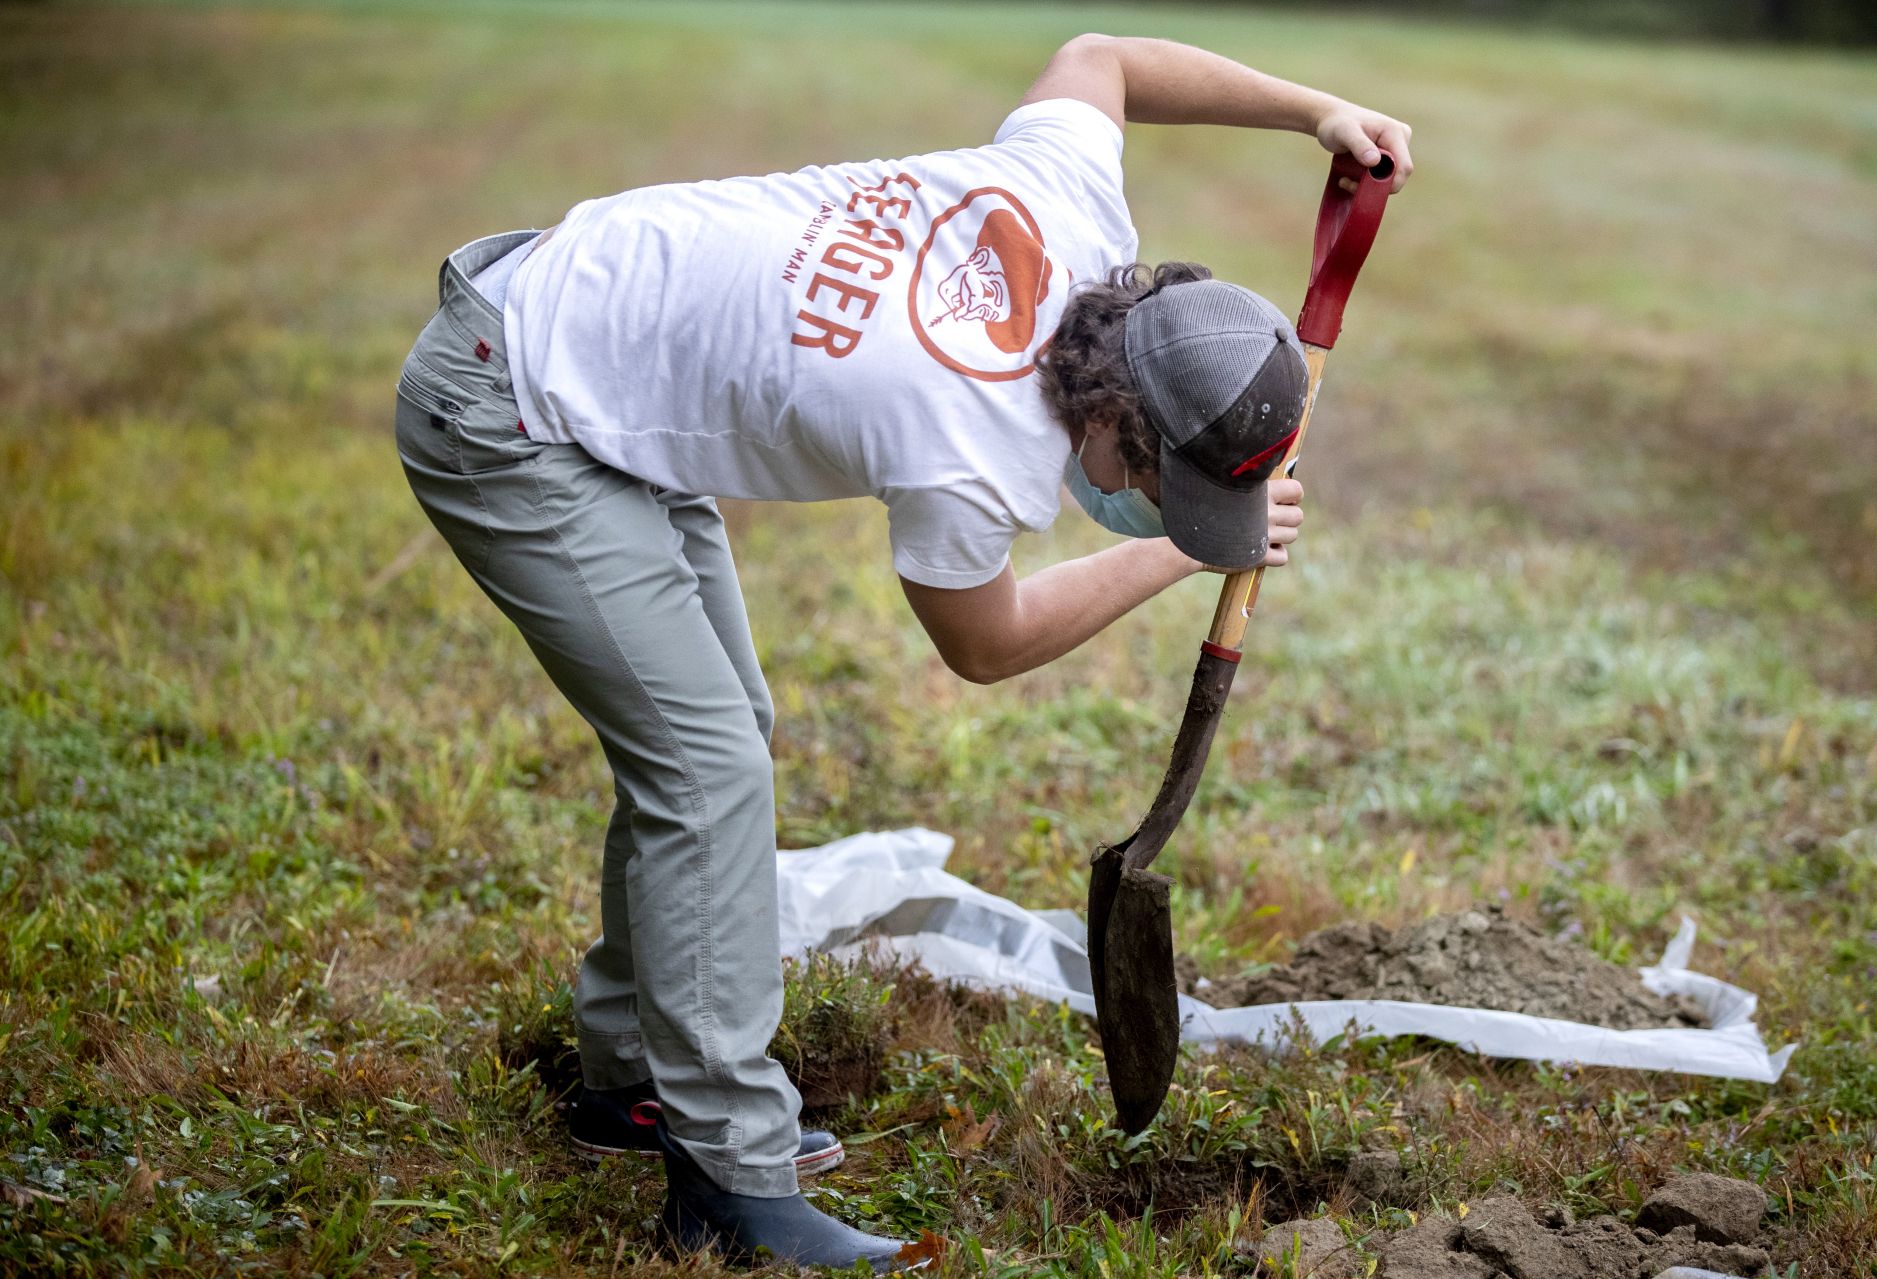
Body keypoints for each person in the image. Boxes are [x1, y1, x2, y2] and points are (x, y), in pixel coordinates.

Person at [393, 31, 1411, 1272]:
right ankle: (726, 1177)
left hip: (592, 332)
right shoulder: (960, 442)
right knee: (705, 764)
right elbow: (985, 644)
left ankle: (624, 1072)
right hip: (508, 405)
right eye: (1160, 490)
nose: (1156, 513)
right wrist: (1179, 558)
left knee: (717, 740)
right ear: (1107, 427)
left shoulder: (1068, 202)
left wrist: (1317, 111)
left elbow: (1102, 58)